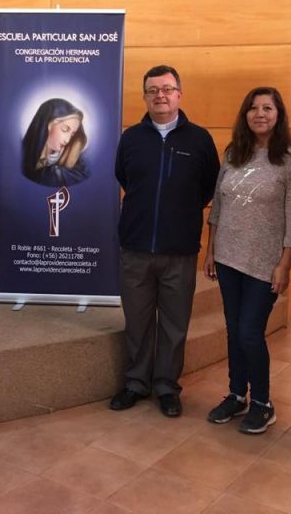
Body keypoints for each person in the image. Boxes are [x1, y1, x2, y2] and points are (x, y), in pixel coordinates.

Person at [111, 64, 220, 417]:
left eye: (167, 89)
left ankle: (166, 387)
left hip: (180, 250)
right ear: (145, 96)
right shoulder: (131, 138)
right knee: (137, 322)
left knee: (174, 325)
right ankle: (135, 383)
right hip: (136, 248)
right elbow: (124, 177)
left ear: (179, 94)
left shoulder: (199, 140)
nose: (160, 95)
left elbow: (209, 187)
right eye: (153, 90)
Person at [203, 87, 291, 434]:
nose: (260, 114)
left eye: (267, 108)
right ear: (245, 114)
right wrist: (211, 250)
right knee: (234, 330)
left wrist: (285, 265)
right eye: (253, 108)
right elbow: (218, 206)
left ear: (278, 115)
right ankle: (237, 395)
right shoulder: (234, 153)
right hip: (228, 256)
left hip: (265, 262)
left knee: (250, 332)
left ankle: (262, 402)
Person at [22, 98, 90, 187]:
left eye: (72, 135)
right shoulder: (21, 156)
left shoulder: (78, 167)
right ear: (48, 124)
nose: (67, 140)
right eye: (65, 129)